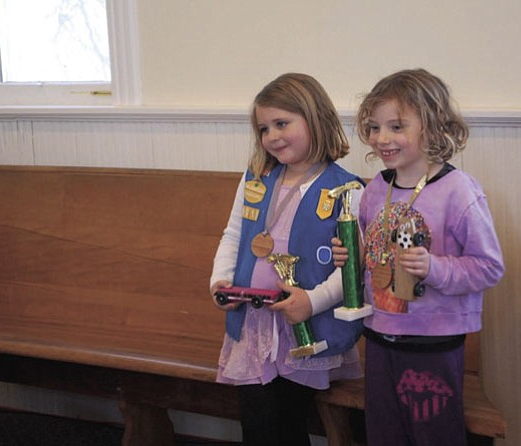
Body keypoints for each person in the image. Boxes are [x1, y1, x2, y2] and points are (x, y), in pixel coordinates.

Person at [332, 68, 505, 446]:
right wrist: (353, 256)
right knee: (383, 435)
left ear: (432, 126)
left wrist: (434, 267)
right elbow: (374, 252)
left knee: (434, 436)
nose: (382, 139)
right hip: (378, 336)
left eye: (396, 126)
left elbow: (489, 267)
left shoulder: (459, 191)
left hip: (433, 344)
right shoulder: (377, 188)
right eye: (374, 128)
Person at [210, 72, 364, 446]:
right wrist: (220, 281)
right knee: (257, 423)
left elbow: (353, 271)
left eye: (282, 123)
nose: (272, 136)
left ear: (314, 119)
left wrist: (311, 302)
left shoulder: (347, 188)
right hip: (254, 327)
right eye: (264, 128)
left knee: (289, 423)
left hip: (304, 330)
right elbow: (234, 234)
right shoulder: (256, 179)